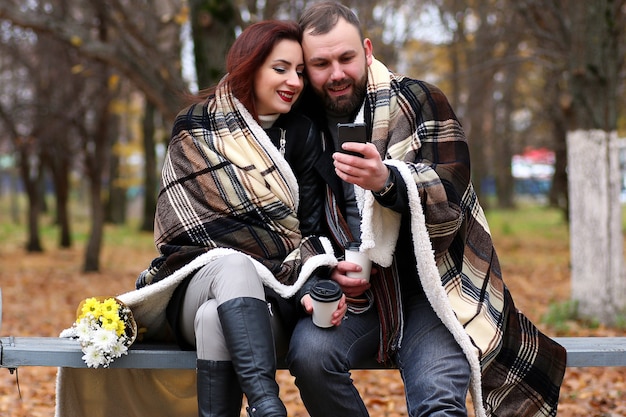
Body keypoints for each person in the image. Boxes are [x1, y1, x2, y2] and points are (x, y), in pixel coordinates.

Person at [286, 2, 567, 417]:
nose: (337, 74)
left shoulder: (420, 100)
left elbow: (452, 194)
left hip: (432, 287)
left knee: (438, 399)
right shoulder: (297, 127)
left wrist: (386, 181)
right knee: (310, 357)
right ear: (306, 70)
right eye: (321, 64)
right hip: (353, 296)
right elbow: (292, 222)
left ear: (366, 50)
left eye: (346, 58)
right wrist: (325, 270)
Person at [135, 20, 344, 417]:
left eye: (300, 71)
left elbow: (311, 232)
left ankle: (264, 407)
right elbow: (182, 229)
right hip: (193, 280)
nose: (294, 81)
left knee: (216, 319)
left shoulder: (302, 134)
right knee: (231, 262)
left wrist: (312, 287)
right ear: (250, 66)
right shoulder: (195, 125)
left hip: (273, 294)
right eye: (280, 68)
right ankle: (267, 405)